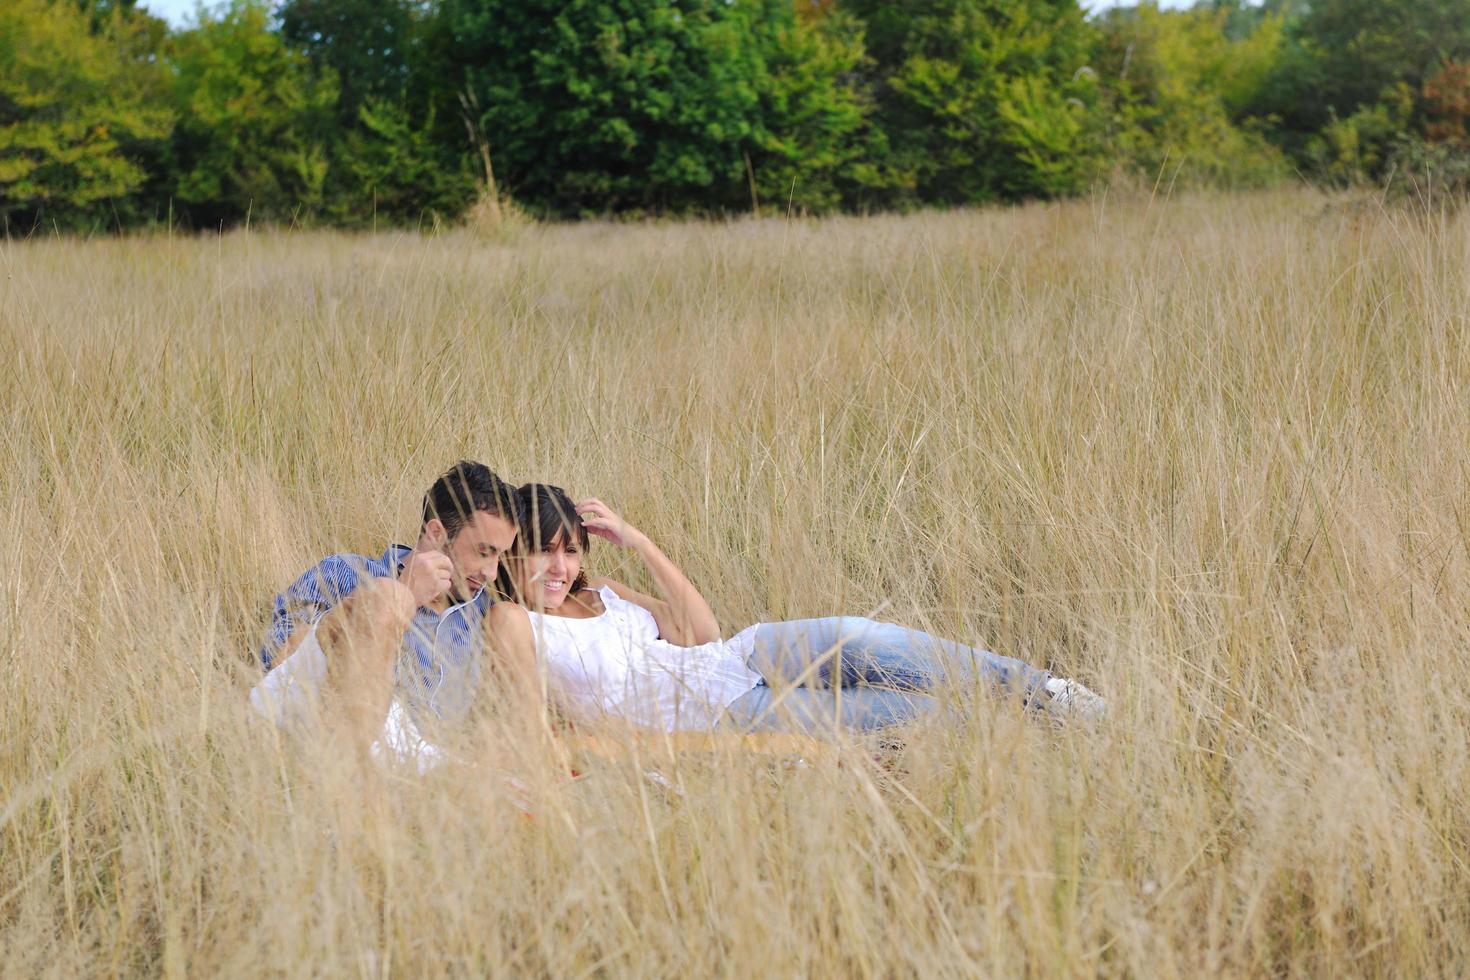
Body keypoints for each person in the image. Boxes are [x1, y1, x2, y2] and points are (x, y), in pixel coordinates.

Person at [486, 484, 1104, 740]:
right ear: (512, 552)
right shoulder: (514, 623)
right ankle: (1027, 730)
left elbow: (703, 634)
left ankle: (1046, 691)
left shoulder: (606, 593)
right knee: (904, 711)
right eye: (542, 551)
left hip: (736, 658)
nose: (559, 567)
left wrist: (641, 542)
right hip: (717, 714)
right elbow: (534, 721)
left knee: (864, 638)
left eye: (570, 552)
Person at [249, 460, 520, 756]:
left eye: (500, 557)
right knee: (389, 596)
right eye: (483, 552)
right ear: (437, 533)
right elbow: (278, 669)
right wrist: (406, 594)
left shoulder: (485, 615)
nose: (491, 573)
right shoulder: (344, 573)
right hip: (326, 745)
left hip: (430, 773)